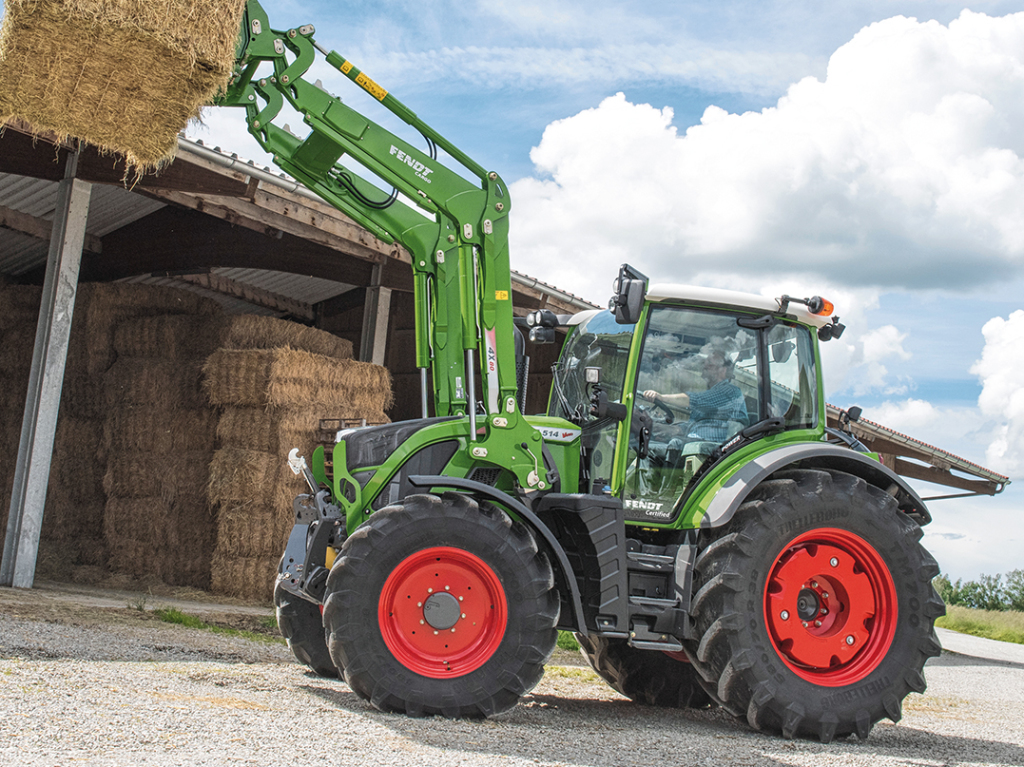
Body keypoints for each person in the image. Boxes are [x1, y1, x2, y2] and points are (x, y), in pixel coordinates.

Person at [640, 349, 747, 443]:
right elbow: (695, 424)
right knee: (650, 446)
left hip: (713, 448)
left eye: (709, 364)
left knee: (674, 444)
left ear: (723, 370)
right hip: (695, 442)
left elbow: (694, 400)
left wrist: (661, 397)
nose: (704, 366)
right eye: (705, 363)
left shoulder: (729, 391)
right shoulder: (709, 400)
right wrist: (671, 429)